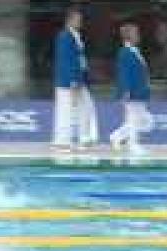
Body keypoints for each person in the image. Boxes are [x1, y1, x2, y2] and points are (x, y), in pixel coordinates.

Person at [52, 6, 98, 151]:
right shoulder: (65, 36)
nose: (80, 22)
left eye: (80, 19)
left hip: (78, 78)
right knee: (65, 110)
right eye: (78, 19)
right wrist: (72, 80)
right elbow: (65, 59)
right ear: (70, 20)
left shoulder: (75, 36)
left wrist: (82, 76)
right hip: (68, 80)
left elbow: (79, 59)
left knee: (86, 106)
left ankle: (84, 137)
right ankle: (62, 141)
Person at [110, 22, 154, 155]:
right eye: (136, 33)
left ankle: (117, 136)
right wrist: (126, 90)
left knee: (146, 122)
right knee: (133, 120)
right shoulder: (125, 52)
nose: (138, 36)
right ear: (129, 36)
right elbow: (124, 73)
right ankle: (133, 145)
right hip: (132, 92)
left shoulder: (135, 51)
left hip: (140, 91)